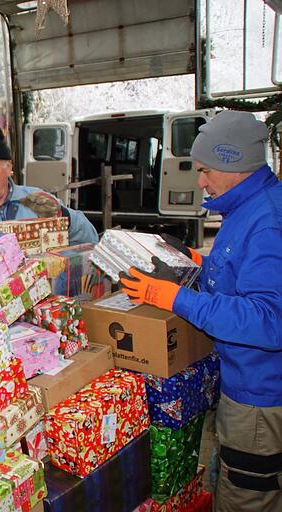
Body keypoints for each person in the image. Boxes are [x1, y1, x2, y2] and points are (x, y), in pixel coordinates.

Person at [119, 110, 282, 511]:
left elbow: (268, 320)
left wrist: (173, 298)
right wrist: (194, 263)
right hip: (242, 387)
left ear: (234, 163)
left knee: (245, 498)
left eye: (207, 170)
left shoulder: (268, 222)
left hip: (259, 398)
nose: (201, 181)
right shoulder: (248, 208)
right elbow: (237, 276)